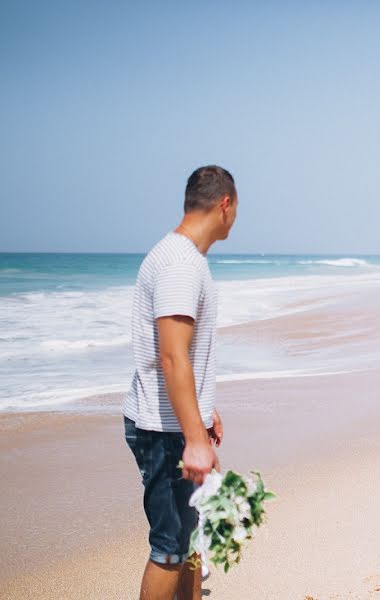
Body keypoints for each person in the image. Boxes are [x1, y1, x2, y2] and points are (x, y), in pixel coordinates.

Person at [123, 165, 238, 600]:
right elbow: (171, 357)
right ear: (225, 204)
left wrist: (203, 408)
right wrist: (194, 438)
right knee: (170, 548)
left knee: (189, 542)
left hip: (174, 422)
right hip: (163, 430)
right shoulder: (180, 264)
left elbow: (178, 354)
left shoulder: (182, 258)